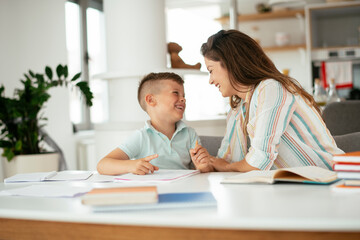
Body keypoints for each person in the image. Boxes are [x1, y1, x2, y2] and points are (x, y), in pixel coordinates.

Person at [192, 29, 344, 172]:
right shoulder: (237, 109)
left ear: (231, 63)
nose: (210, 81)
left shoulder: (271, 88)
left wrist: (226, 167)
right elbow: (226, 161)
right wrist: (207, 165)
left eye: (211, 70)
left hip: (328, 180)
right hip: (291, 188)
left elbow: (259, 161)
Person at [97, 72, 212, 175]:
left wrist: (203, 167)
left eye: (184, 95)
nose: (183, 99)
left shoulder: (189, 134)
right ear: (151, 100)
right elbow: (102, 165)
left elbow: (203, 171)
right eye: (176, 93)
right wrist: (131, 165)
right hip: (153, 191)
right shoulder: (141, 137)